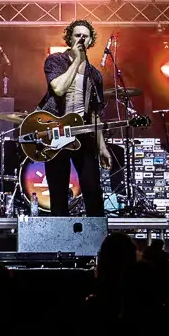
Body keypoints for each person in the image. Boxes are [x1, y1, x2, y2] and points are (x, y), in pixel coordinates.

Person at [39, 18, 112, 216]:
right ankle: (59, 243)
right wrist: (77, 60)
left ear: (90, 42)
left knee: (93, 190)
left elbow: (96, 113)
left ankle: (96, 243)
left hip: (83, 133)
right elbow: (59, 89)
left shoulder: (94, 75)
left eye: (85, 36)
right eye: (77, 35)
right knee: (58, 193)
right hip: (56, 132)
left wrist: (102, 147)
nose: (81, 39)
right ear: (69, 39)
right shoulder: (55, 61)